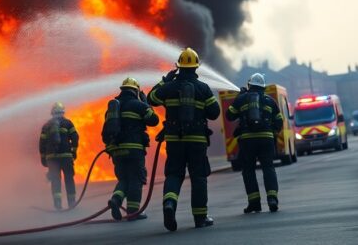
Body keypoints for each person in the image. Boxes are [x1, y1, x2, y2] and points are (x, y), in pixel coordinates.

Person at [148, 48, 220, 231]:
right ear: (196, 67)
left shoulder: (169, 87)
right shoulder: (203, 88)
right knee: (199, 177)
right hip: (197, 141)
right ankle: (200, 218)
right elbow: (215, 113)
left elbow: (151, 98)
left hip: (174, 140)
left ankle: (169, 204)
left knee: (174, 174)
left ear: (178, 67)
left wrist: (165, 81)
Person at [102, 77, 160, 221]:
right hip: (134, 150)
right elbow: (154, 120)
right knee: (136, 179)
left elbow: (105, 133)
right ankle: (133, 212)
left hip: (116, 151)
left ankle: (116, 200)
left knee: (124, 179)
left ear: (122, 90)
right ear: (135, 91)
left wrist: (110, 147)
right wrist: (146, 103)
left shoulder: (112, 108)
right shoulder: (138, 105)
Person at [225, 73, 283, 213]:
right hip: (266, 140)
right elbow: (279, 121)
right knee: (268, 168)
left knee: (248, 170)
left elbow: (229, 115)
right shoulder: (270, 101)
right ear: (263, 87)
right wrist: (272, 132)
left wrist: (239, 98)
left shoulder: (242, 99)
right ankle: (272, 199)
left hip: (248, 141)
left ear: (249, 85)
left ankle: (254, 203)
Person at [39, 102, 79, 210]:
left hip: (52, 158)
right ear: (62, 112)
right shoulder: (68, 123)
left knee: (55, 180)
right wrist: (74, 151)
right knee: (69, 178)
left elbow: (42, 143)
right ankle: (71, 202)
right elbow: (75, 137)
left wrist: (43, 157)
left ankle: (57, 203)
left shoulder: (46, 126)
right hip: (66, 156)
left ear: (52, 113)